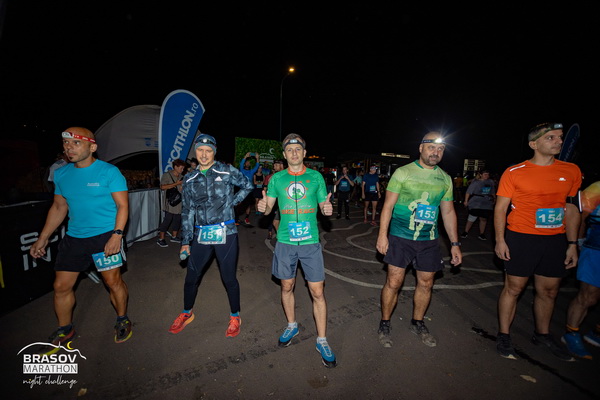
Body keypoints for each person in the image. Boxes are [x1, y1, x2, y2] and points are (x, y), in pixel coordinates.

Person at [30, 127, 131, 352]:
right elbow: (59, 207)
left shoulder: (109, 171)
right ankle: (65, 329)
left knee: (113, 282)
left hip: (105, 236)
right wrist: (43, 238)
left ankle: (122, 318)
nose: (69, 148)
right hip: (75, 238)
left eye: (75, 143)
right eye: (66, 143)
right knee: (61, 286)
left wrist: (117, 235)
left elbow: (122, 206)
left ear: (92, 147)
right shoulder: (62, 174)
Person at [494, 122, 582, 361]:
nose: (558, 141)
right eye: (551, 137)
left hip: (555, 240)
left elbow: (572, 209)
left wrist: (572, 243)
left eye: (560, 137)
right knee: (514, 288)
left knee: (550, 291)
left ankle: (542, 334)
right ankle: (504, 335)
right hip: (521, 237)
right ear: (534, 144)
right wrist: (500, 240)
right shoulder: (515, 172)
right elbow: (500, 208)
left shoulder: (571, 170)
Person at [257, 133, 337, 368]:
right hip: (285, 242)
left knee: (317, 292)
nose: (294, 153)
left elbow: (323, 205)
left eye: (298, 149)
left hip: (310, 242)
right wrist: (263, 207)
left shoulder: (316, 177)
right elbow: (268, 208)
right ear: (284, 154)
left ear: (304, 153)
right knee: (287, 286)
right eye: (289, 149)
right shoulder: (277, 179)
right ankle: (291, 325)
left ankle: (322, 340)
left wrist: (327, 208)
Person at [376, 132, 462, 348]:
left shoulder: (445, 178)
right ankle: (385, 323)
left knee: (426, 283)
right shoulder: (403, 173)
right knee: (394, 282)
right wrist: (382, 235)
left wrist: (454, 244)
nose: (436, 152)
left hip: (429, 240)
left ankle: (418, 322)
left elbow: (448, 212)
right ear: (421, 148)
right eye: (431, 147)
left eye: (440, 149)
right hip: (400, 236)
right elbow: (388, 206)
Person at [168, 134, 253, 337]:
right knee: (191, 277)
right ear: (196, 152)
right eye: (200, 150)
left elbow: (248, 185)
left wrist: (233, 202)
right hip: (201, 235)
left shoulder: (226, 170)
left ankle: (235, 316)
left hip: (226, 232)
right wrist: (185, 241)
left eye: (208, 151)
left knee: (229, 278)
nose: (204, 154)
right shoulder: (189, 178)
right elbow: (187, 211)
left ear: (214, 152)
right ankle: (187, 312)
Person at [562, 180, 600, 359]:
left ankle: (596, 332)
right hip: (595, 249)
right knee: (588, 295)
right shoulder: (598, 188)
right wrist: (576, 244)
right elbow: (578, 216)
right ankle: (571, 332)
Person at [156, 159, 185, 247]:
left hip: (179, 201)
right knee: (168, 219)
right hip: (170, 202)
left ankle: (174, 236)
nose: (182, 170)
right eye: (181, 168)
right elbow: (162, 187)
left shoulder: (181, 176)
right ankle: (161, 238)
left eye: (183, 168)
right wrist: (176, 183)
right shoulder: (167, 175)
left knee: (177, 220)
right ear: (175, 167)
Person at [460, 170, 496, 240]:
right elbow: (468, 192)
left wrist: (494, 198)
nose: (487, 176)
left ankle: (482, 233)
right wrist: (466, 201)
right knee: (472, 217)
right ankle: (465, 232)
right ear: (481, 175)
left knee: (483, 218)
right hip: (476, 202)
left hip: (486, 202)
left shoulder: (490, 182)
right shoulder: (476, 182)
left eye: (488, 174)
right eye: (485, 174)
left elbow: (492, 191)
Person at [263, 159, 284, 239]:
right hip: (275, 202)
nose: (274, 167)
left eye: (276, 165)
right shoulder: (274, 176)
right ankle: (280, 237)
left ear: (281, 165)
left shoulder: (286, 175)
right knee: (275, 221)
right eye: (274, 165)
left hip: (286, 203)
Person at [238, 152, 260, 224]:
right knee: (239, 203)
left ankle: (246, 218)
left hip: (249, 191)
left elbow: (257, 166)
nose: (248, 163)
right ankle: (236, 218)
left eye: (249, 163)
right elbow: (241, 164)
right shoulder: (242, 170)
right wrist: (246, 156)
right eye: (246, 162)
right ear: (245, 164)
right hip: (242, 190)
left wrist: (257, 158)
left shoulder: (251, 171)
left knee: (248, 205)